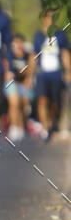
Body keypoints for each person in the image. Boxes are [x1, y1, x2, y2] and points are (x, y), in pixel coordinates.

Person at [29, 11, 71, 140]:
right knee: (42, 100)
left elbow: (65, 54)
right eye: (48, 17)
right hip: (42, 74)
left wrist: (68, 71)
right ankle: (46, 128)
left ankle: (53, 121)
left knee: (55, 103)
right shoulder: (38, 36)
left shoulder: (60, 35)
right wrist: (30, 76)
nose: (50, 19)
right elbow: (33, 56)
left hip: (56, 73)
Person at [4, 33, 32, 141]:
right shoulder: (9, 55)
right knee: (14, 102)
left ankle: (21, 125)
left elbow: (29, 71)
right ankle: (14, 127)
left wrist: (28, 79)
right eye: (16, 42)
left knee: (23, 102)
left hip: (22, 85)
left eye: (20, 42)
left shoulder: (27, 55)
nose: (18, 45)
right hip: (10, 82)